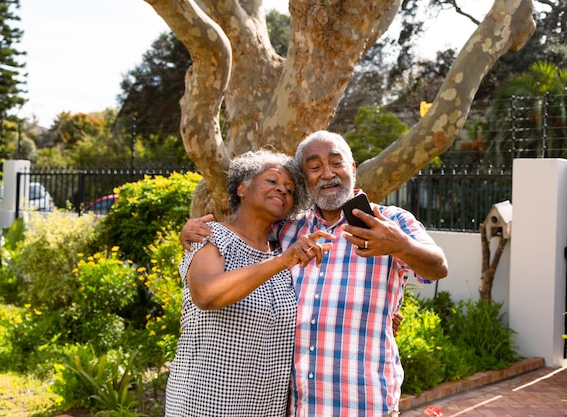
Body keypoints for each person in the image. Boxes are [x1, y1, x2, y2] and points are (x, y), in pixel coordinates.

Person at [180, 130, 449, 417]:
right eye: (314, 166)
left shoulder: (391, 221)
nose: (327, 173)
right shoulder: (286, 230)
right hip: (298, 407)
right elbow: (244, 231)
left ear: (353, 168)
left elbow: (438, 268)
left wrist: (401, 245)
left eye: (336, 162)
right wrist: (192, 232)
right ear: (305, 180)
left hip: (365, 405)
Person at [165, 149, 335, 417]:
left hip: (265, 406)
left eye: (290, 190)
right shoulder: (213, 237)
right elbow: (206, 295)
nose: (282, 191)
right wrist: (281, 262)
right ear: (242, 188)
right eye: (272, 181)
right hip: (207, 402)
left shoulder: (282, 251)